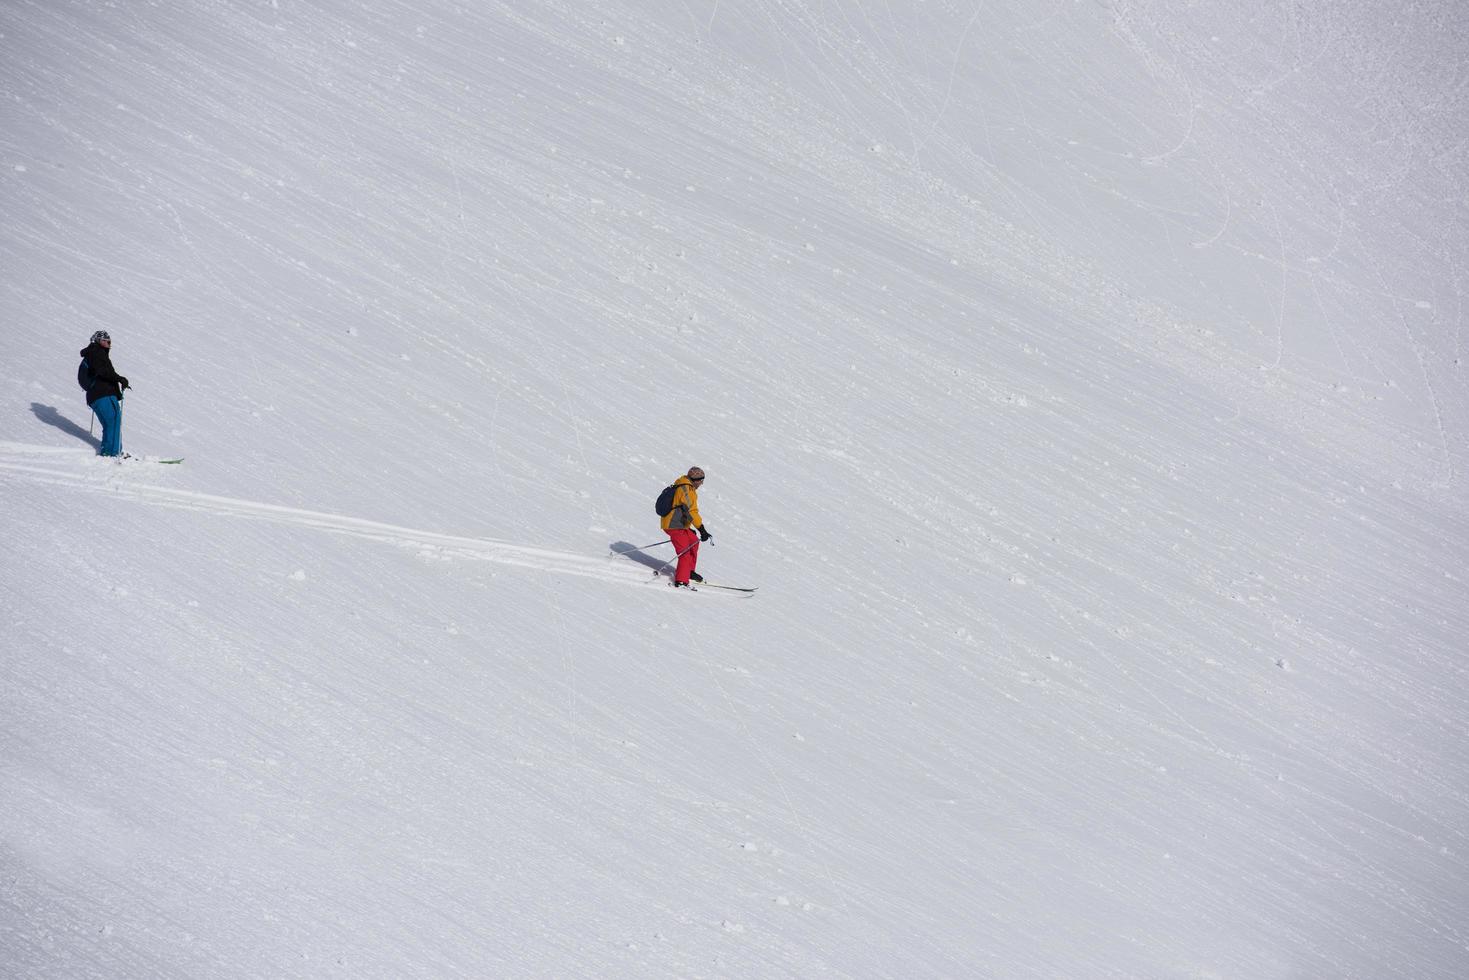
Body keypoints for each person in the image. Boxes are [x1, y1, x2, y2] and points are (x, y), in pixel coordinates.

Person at [80, 330, 129, 457]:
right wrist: (120, 378)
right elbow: (102, 371)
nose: (108, 343)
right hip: (102, 393)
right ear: (97, 341)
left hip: (99, 394)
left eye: (109, 341)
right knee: (112, 421)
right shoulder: (96, 352)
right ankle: (112, 453)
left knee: (112, 422)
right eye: (105, 340)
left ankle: (112, 451)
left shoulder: (97, 353)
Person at [660, 466, 712, 587]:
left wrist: (689, 528)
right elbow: (691, 511)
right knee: (685, 552)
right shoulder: (686, 489)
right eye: (701, 480)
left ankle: (688, 571)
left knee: (693, 541)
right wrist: (701, 529)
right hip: (673, 525)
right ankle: (681, 580)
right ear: (695, 480)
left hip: (680, 524)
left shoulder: (687, 487)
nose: (702, 483)